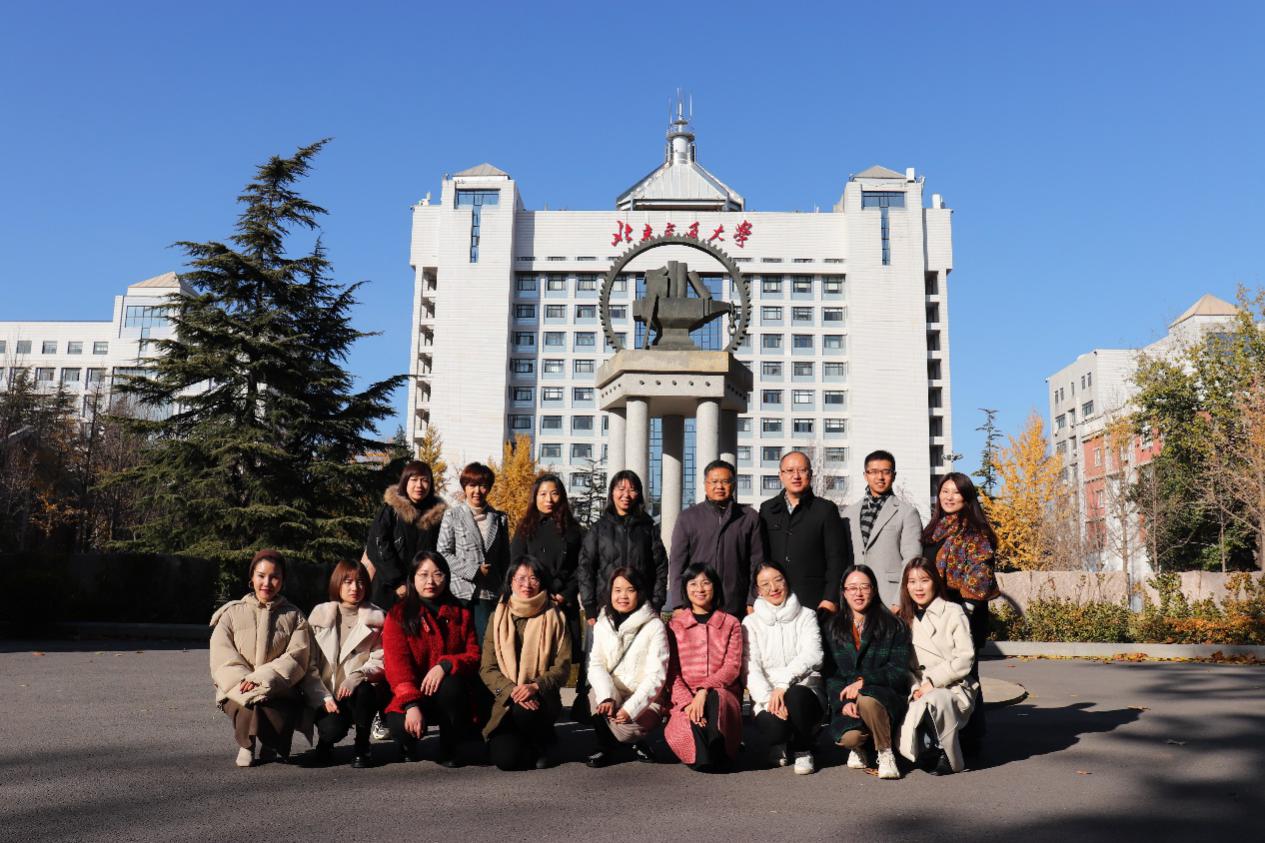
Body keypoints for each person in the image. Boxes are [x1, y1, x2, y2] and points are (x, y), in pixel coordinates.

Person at [209, 549, 312, 767]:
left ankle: (271, 743)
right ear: (251, 578)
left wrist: (262, 679)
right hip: (237, 685)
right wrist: (244, 680)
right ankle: (247, 744)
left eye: (274, 577)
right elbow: (222, 655)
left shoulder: (294, 616)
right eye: (261, 575)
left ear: (282, 581)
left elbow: (297, 657)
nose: (267, 582)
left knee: (275, 704)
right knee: (247, 703)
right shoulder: (230, 613)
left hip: (278, 686)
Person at [381, 550, 481, 767]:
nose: (430, 581)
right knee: (402, 729)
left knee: (451, 683)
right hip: (412, 695)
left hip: (448, 695)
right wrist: (411, 705)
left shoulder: (461, 612)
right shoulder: (399, 614)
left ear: (447, 577)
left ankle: (449, 743)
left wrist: (446, 664)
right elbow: (397, 667)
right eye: (423, 574)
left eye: (437, 574)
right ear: (412, 578)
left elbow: (474, 655)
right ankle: (408, 742)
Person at [480, 558, 572, 771]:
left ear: (542, 582)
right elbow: (487, 667)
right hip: (505, 699)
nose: (526, 584)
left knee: (526, 712)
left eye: (533, 578)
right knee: (506, 761)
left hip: (541, 697)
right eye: (520, 578)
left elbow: (563, 666)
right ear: (510, 582)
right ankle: (528, 742)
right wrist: (513, 691)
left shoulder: (555, 616)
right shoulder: (497, 617)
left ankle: (542, 741)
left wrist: (534, 686)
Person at [822, 564, 911, 780]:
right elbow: (831, 675)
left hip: (884, 698)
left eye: (864, 587)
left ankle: (885, 752)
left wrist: (864, 682)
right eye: (852, 588)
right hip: (850, 702)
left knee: (868, 699)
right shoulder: (833, 628)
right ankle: (861, 746)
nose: (858, 593)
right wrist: (843, 703)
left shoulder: (893, 625)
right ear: (843, 592)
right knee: (849, 738)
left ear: (874, 590)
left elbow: (899, 670)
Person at [299, 560, 388, 768]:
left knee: (365, 689)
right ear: (337, 584)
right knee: (331, 730)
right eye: (347, 582)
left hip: (357, 693)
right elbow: (308, 663)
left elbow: (380, 659)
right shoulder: (319, 615)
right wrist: (324, 696)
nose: (354, 588)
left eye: (360, 582)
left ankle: (362, 744)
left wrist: (355, 678)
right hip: (325, 692)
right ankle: (325, 743)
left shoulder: (377, 618)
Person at [511, 473, 586, 718]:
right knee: (534, 657)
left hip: (562, 603)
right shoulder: (525, 529)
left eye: (554, 493)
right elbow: (516, 566)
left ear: (562, 496)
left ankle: (552, 706)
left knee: (558, 660)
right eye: (543, 494)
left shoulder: (574, 531)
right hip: (533, 604)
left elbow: (581, 568)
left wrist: (565, 594)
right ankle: (532, 704)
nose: (549, 499)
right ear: (535, 497)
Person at [896, 558, 979, 775]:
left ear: (935, 582)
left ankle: (948, 755)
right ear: (905, 586)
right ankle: (928, 747)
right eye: (912, 581)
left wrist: (933, 682)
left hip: (954, 686)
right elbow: (904, 666)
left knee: (934, 699)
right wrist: (916, 687)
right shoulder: (904, 618)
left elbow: (965, 658)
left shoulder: (953, 611)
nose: (918, 587)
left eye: (924, 580)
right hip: (918, 687)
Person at [743, 560, 825, 775]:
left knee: (796, 696)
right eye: (765, 584)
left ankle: (803, 748)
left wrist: (783, 685)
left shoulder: (807, 615)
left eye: (778, 580)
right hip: (769, 697)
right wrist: (768, 698)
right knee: (774, 730)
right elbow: (751, 667)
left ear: (787, 581)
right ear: (758, 590)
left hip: (804, 690)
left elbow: (813, 655)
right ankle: (781, 742)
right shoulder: (750, 623)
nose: (773, 588)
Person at [586, 567, 670, 768]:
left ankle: (633, 742)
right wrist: (606, 695)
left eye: (629, 590)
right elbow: (596, 663)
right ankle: (605, 746)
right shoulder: (602, 623)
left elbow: (657, 676)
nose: (622, 596)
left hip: (644, 698)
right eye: (617, 590)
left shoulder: (654, 626)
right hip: (614, 692)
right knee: (593, 697)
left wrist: (630, 709)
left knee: (628, 732)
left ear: (639, 593)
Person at [664, 563, 745, 771]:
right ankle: (705, 753)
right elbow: (672, 673)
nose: (699, 589)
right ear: (685, 589)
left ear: (715, 587)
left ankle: (718, 746)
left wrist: (703, 690)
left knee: (715, 697)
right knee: (699, 753)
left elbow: (732, 666)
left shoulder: (731, 623)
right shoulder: (675, 626)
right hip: (686, 698)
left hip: (722, 694)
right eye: (693, 583)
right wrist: (688, 702)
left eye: (705, 583)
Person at [758, 451, 851, 615]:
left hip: (813, 601)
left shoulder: (825, 510)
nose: (796, 476)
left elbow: (836, 558)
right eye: (789, 471)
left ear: (811, 474)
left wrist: (830, 599)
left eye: (802, 470)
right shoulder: (767, 510)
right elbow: (761, 556)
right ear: (780, 475)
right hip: (775, 599)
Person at [668, 459, 764, 617]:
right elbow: (677, 563)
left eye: (725, 481)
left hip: (736, 604)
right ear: (705, 484)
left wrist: (752, 600)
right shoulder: (688, 517)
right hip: (697, 605)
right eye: (714, 481)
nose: (719, 486)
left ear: (733, 484)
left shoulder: (749, 517)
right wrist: (678, 603)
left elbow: (757, 563)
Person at [921, 472, 999, 652]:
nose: (949, 497)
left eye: (956, 492)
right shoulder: (933, 529)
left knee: (965, 676)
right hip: (934, 610)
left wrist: (962, 614)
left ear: (966, 496)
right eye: (945, 491)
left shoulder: (975, 531)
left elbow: (981, 574)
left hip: (963, 613)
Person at [578, 469, 668, 626]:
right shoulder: (599, 529)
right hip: (605, 608)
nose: (626, 495)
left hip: (642, 609)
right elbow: (586, 568)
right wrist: (590, 605)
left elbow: (660, 567)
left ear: (639, 494)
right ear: (612, 492)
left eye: (632, 490)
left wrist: (657, 602)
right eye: (621, 489)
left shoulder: (647, 528)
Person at [437, 462, 510, 643]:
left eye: (483, 486)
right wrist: (474, 570)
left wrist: (504, 587)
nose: (477, 491)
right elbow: (443, 553)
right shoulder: (452, 515)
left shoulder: (500, 519)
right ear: (465, 487)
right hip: (459, 592)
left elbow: (505, 558)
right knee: (456, 642)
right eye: (472, 485)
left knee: (484, 644)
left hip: (488, 593)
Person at [842, 450, 924, 607]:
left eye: (886, 472)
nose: (880, 477)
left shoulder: (907, 512)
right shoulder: (849, 513)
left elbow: (911, 560)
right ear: (865, 475)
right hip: (856, 598)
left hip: (889, 596)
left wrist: (900, 600)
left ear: (894, 475)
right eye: (873, 472)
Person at [366, 461, 447, 611]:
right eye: (414, 480)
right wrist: (396, 581)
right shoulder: (391, 511)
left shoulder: (438, 516)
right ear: (405, 481)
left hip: (424, 592)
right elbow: (378, 545)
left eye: (425, 480)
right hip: (388, 591)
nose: (419, 485)